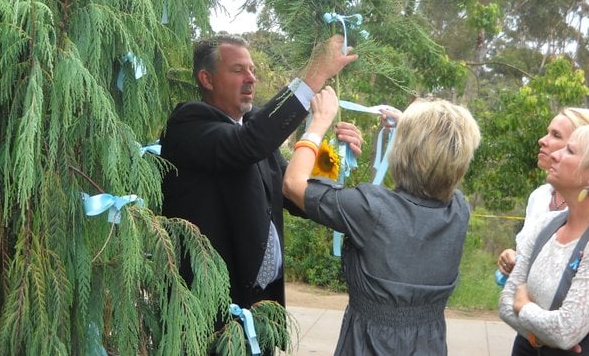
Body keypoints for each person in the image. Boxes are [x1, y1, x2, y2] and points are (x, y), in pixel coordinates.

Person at [160, 34, 360, 316]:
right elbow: (247, 144)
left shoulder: (254, 130)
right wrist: (315, 76)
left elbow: (295, 191)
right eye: (238, 70)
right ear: (207, 79)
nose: (251, 78)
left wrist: (335, 157)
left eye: (252, 70)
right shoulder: (189, 124)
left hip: (264, 304)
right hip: (212, 307)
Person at [282, 87, 481, 355]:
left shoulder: (371, 210)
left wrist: (318, 122)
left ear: (405, 151)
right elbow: (423, 182)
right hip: (429, 346)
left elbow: (294, 184)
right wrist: (409, 127)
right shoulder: (459, 209)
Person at [498, 124, 589, 354]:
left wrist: (523, 306)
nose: (555, 154)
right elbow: (505, 305)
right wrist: (539, 336)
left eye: (570, 151)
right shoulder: (547, 224)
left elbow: (564, 331)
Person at [498, 108, 589, 277]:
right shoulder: (540, 196)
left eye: (556, 135)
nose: (542, 141)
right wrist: (513, 258)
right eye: (548, 133)